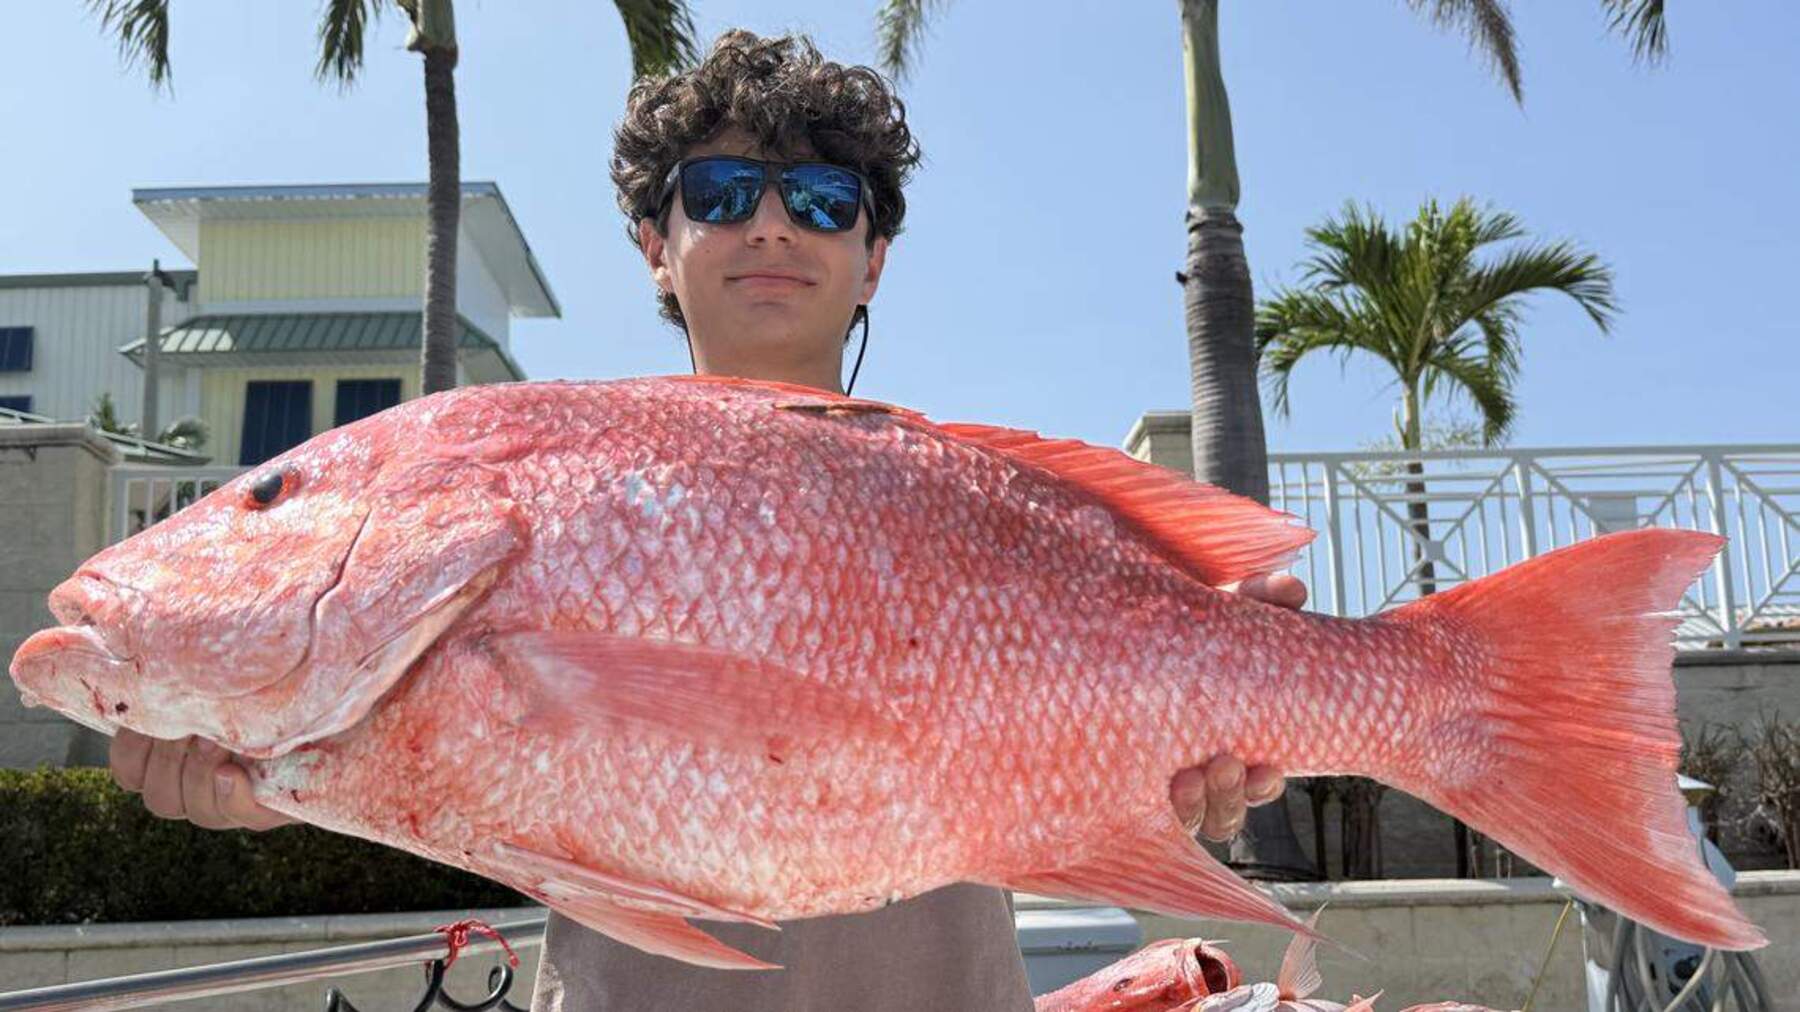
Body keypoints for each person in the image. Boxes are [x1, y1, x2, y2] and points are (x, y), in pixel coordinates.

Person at [108, 28, 1309, 1012]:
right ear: (655, 246)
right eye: (723, 193)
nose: (772, 224)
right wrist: (259, 774)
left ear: (874, 258)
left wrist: (1216, 694)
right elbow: (457, 764)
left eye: (825, 199)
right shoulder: (533, 483)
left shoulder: (972, 492)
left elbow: (1121, 738)